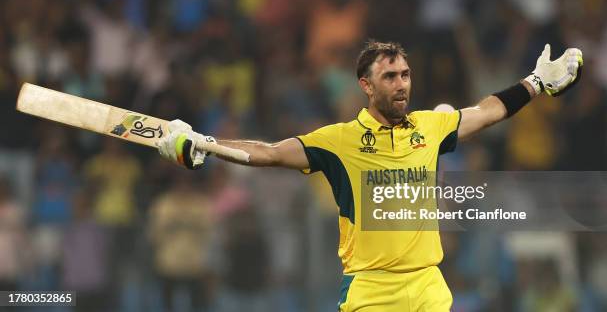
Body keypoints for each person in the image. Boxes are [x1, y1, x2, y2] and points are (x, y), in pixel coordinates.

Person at [157, 40, 582, 311]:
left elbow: (488, 111)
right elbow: (269, 153)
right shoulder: (339, 140)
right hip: (371, 290)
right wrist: (204, 144)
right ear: (365, 85)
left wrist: (535, 84)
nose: (401, 85)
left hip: (428, 283)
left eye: (405, 75)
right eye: (389, 77)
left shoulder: (430, 129)